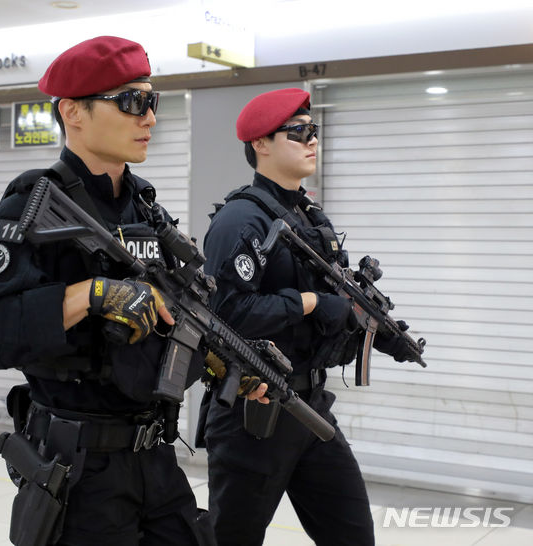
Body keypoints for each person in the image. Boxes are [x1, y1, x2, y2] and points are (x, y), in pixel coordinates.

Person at [0, 36, 256, 546]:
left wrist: (223, 360)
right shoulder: (29, 209)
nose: (149, 119)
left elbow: (170, 321)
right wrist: (90, 294)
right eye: (132, 102)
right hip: (79, 472)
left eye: (152, 102)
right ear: (73, 111)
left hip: (156, 458)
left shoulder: (147, 213)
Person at [198, 88, 415, 546]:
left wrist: (371, 328)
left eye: (313, 131)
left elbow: (339, 298)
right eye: (297, 132)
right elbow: (224, 315)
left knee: (354, 535)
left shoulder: (311, 218)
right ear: (260, 143)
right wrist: (311, 303)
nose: (311, 140)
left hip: (310, 408)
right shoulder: (241, 221)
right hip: (253, 413)